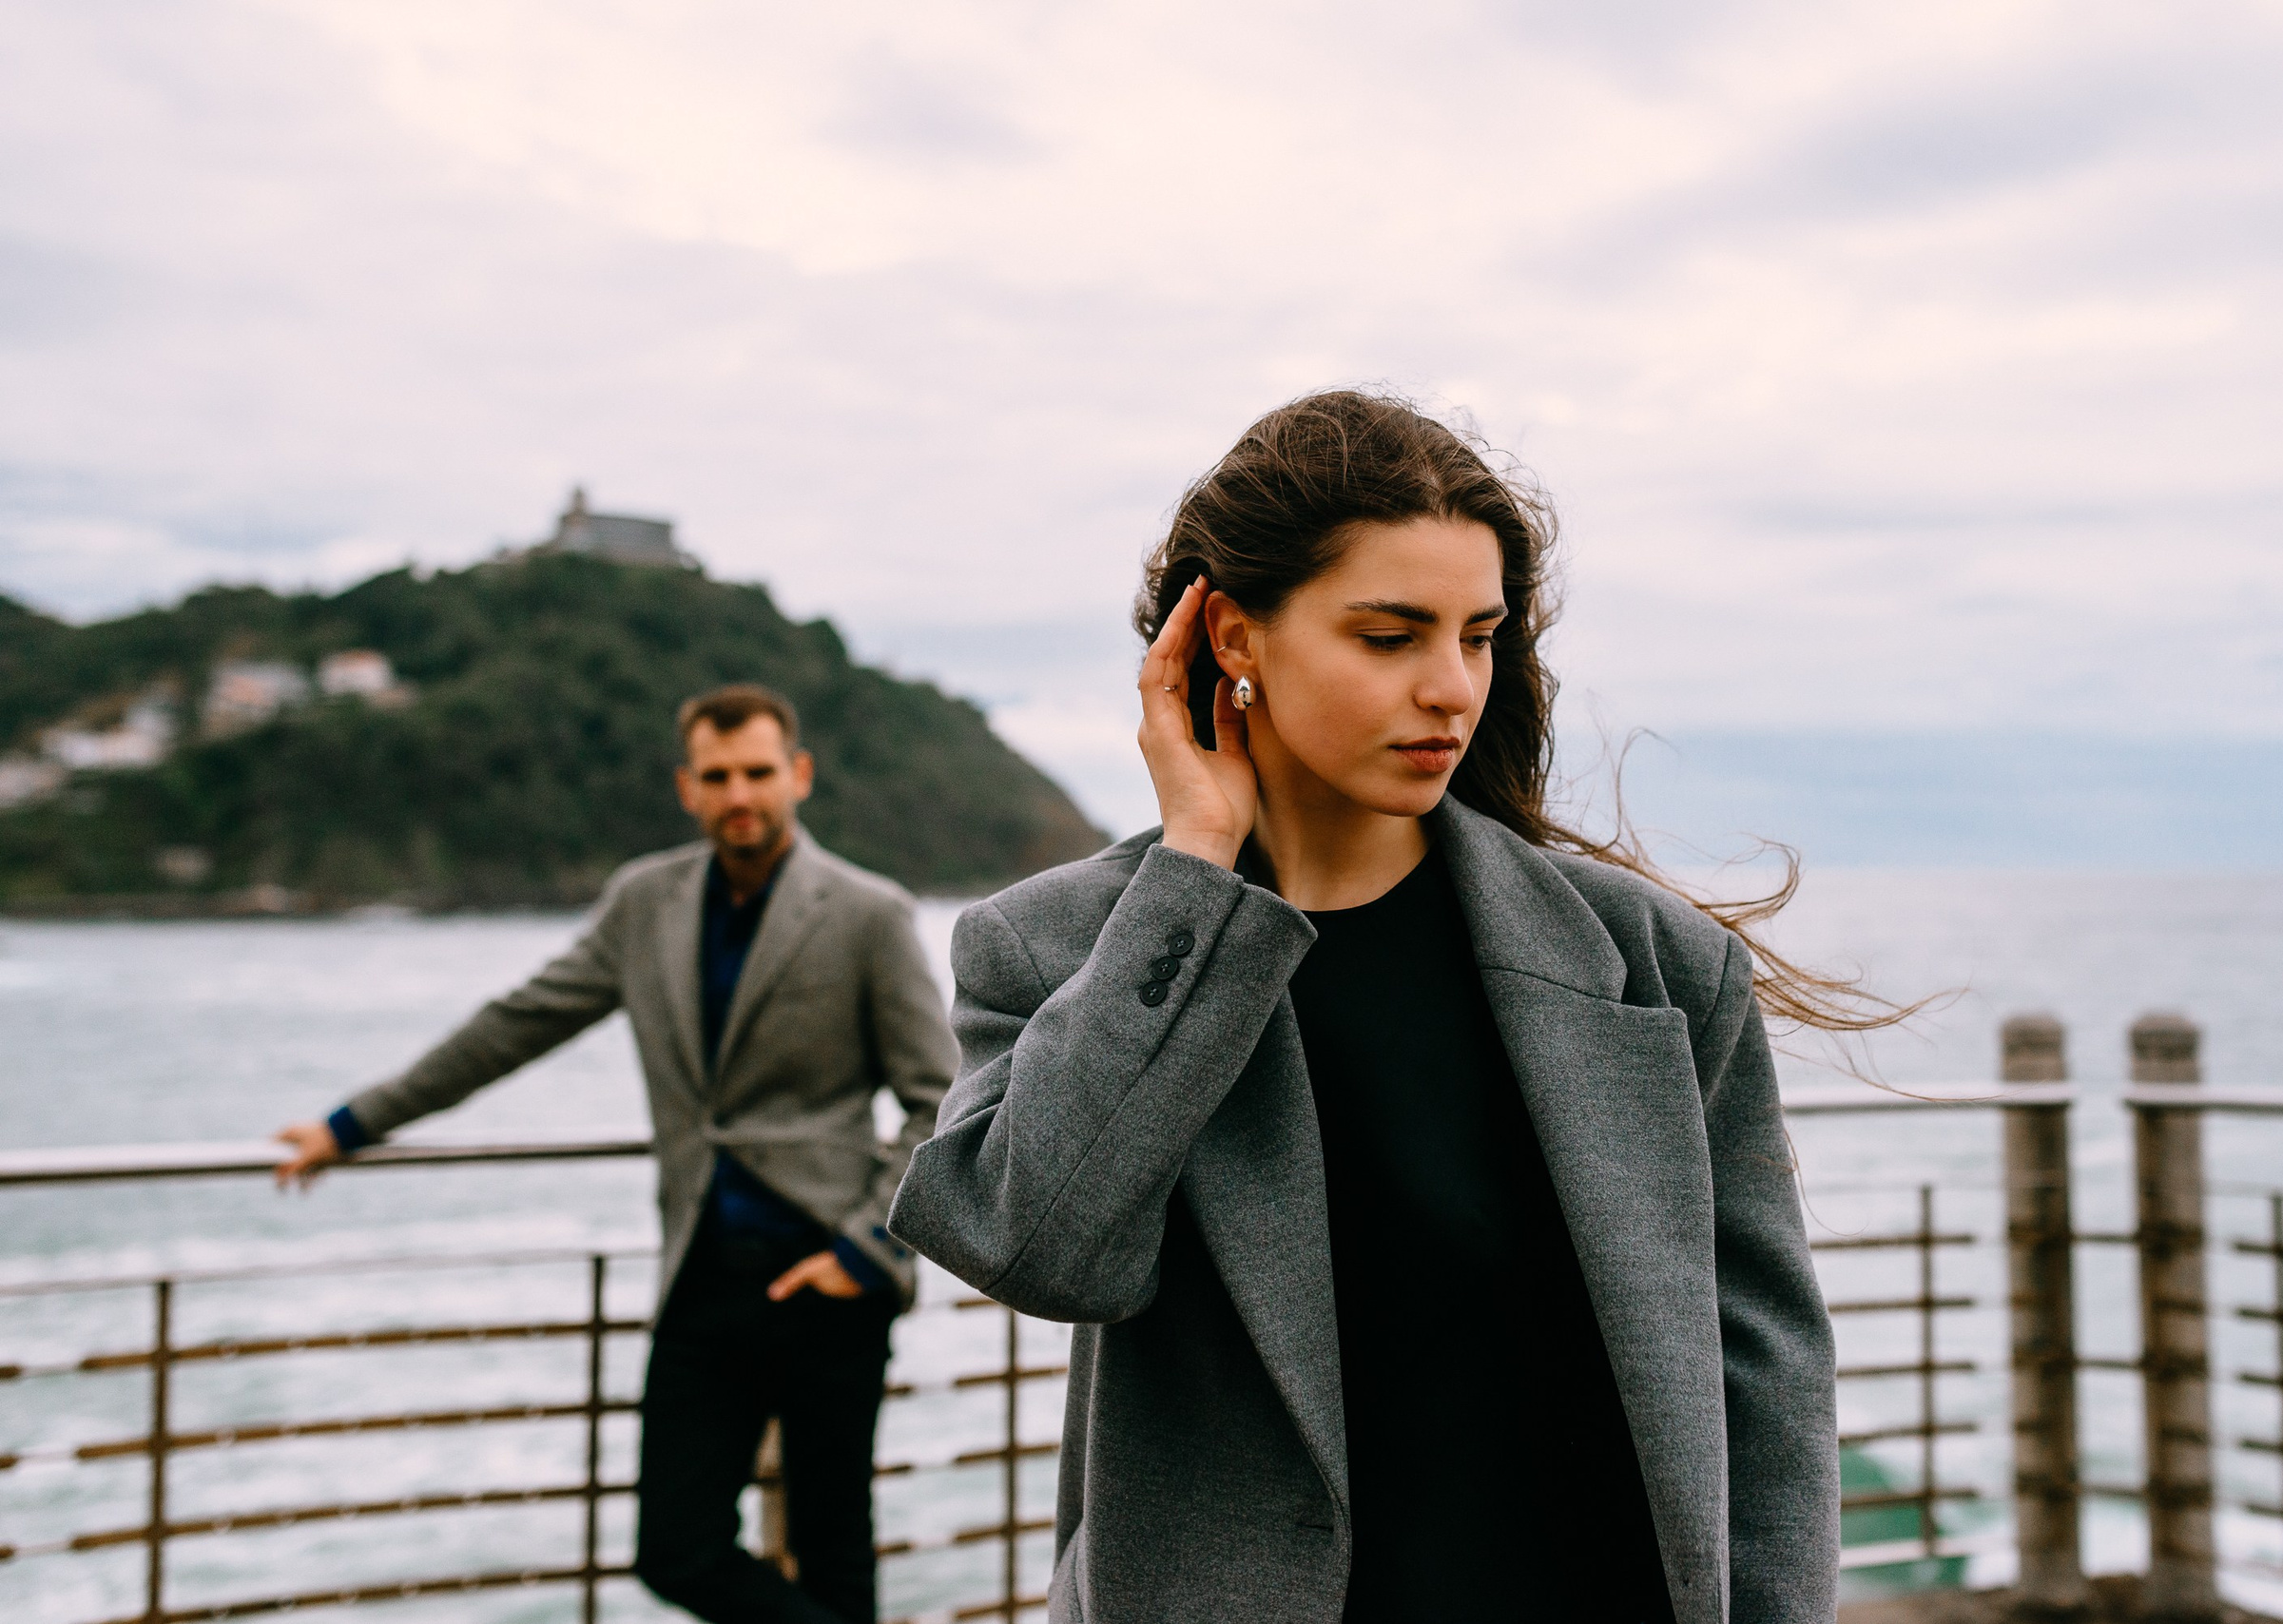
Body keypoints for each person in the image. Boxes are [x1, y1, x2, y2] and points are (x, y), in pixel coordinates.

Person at [889, 393, 1885, 1624]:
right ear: (1236, 639)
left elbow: (1767, 1370)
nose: (1451, 689)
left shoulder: (1652, 965)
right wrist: (1197, 866)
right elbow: (1036, 1245)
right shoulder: (1058, 948)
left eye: (1477, 636)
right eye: (1389, 636)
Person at [274, 683, 956, 1624]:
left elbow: (939, 1098)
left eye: (758, 771)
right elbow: (517, 1023)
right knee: (673, 1549)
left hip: (827, 1269)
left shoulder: (868, 911)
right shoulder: (646, 901)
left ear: (798, 774)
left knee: (835, 1548)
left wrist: (866, 1251)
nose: (738, 794)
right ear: (687, 788)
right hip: (700, 1273)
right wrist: (352, 1124)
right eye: (716, 777)